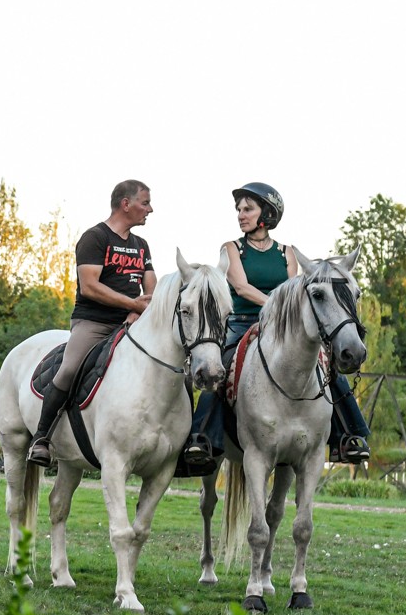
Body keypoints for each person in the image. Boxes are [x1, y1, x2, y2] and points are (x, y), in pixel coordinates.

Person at [182, 182, 371, 466]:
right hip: (240, 323)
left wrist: (279, 313)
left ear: (266, 214)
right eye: (239, 210)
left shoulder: (287, 253)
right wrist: (275, 306)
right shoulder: (232, 248)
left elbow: (293, 291)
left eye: (248, 209)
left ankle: (349, 436)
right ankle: (202, 437)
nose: (241, 214)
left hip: (279, 325)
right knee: (221, 366)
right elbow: (242, 287)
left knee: (328, 366)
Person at [27, 179, 156, 466]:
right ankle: (41, 437)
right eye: (145, 203)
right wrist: (133, 304)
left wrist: (140, 309)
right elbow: (90, 287)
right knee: (69, 369)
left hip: (131, 323)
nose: (150, 209)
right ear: (126, 204)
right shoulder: (94, 238)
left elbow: (151, 287)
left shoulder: (141, 245)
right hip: (93, 322)